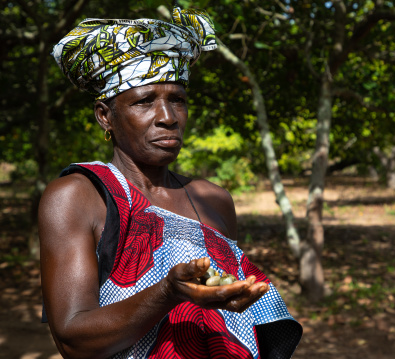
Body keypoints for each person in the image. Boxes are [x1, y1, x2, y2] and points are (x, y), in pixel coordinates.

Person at [39, 8, 302, 359]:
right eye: (145, 101)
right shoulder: (78, 196)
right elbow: (73, 339)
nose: (167, 117)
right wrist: (168, 293)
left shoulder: (214, 199)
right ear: (105, 116)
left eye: (177, 99)